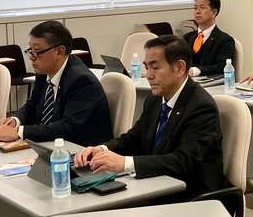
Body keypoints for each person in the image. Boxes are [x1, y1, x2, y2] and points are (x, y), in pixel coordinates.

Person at [74, 35, 228, 199]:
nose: (148, 75)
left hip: (191, 195)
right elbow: (134, 138)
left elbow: (183, 161)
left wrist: (125, 163)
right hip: (157, 185)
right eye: (146, 67)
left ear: (179, 68)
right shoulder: (155, 99)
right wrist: (101, 149)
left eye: (155, 68)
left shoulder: (201, 106)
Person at [0, 21, 112, 146]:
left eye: (37, 51)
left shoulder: (81, 81)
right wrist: (14, 121)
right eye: (30, 50)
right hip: (52, 144)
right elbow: (32, 106)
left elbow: (67, 127)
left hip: (80, 149)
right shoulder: (44, 71)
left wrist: (19, 132)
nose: (32, 57)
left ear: (59, 52)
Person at [183, 0, 235, 77]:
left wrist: (196, 70)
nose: (197, 12)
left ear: (214, 12)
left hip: (210, 81)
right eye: (195, 8)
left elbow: (221, 66)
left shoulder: (225, 40)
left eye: (202, 8)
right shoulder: (186, 37)